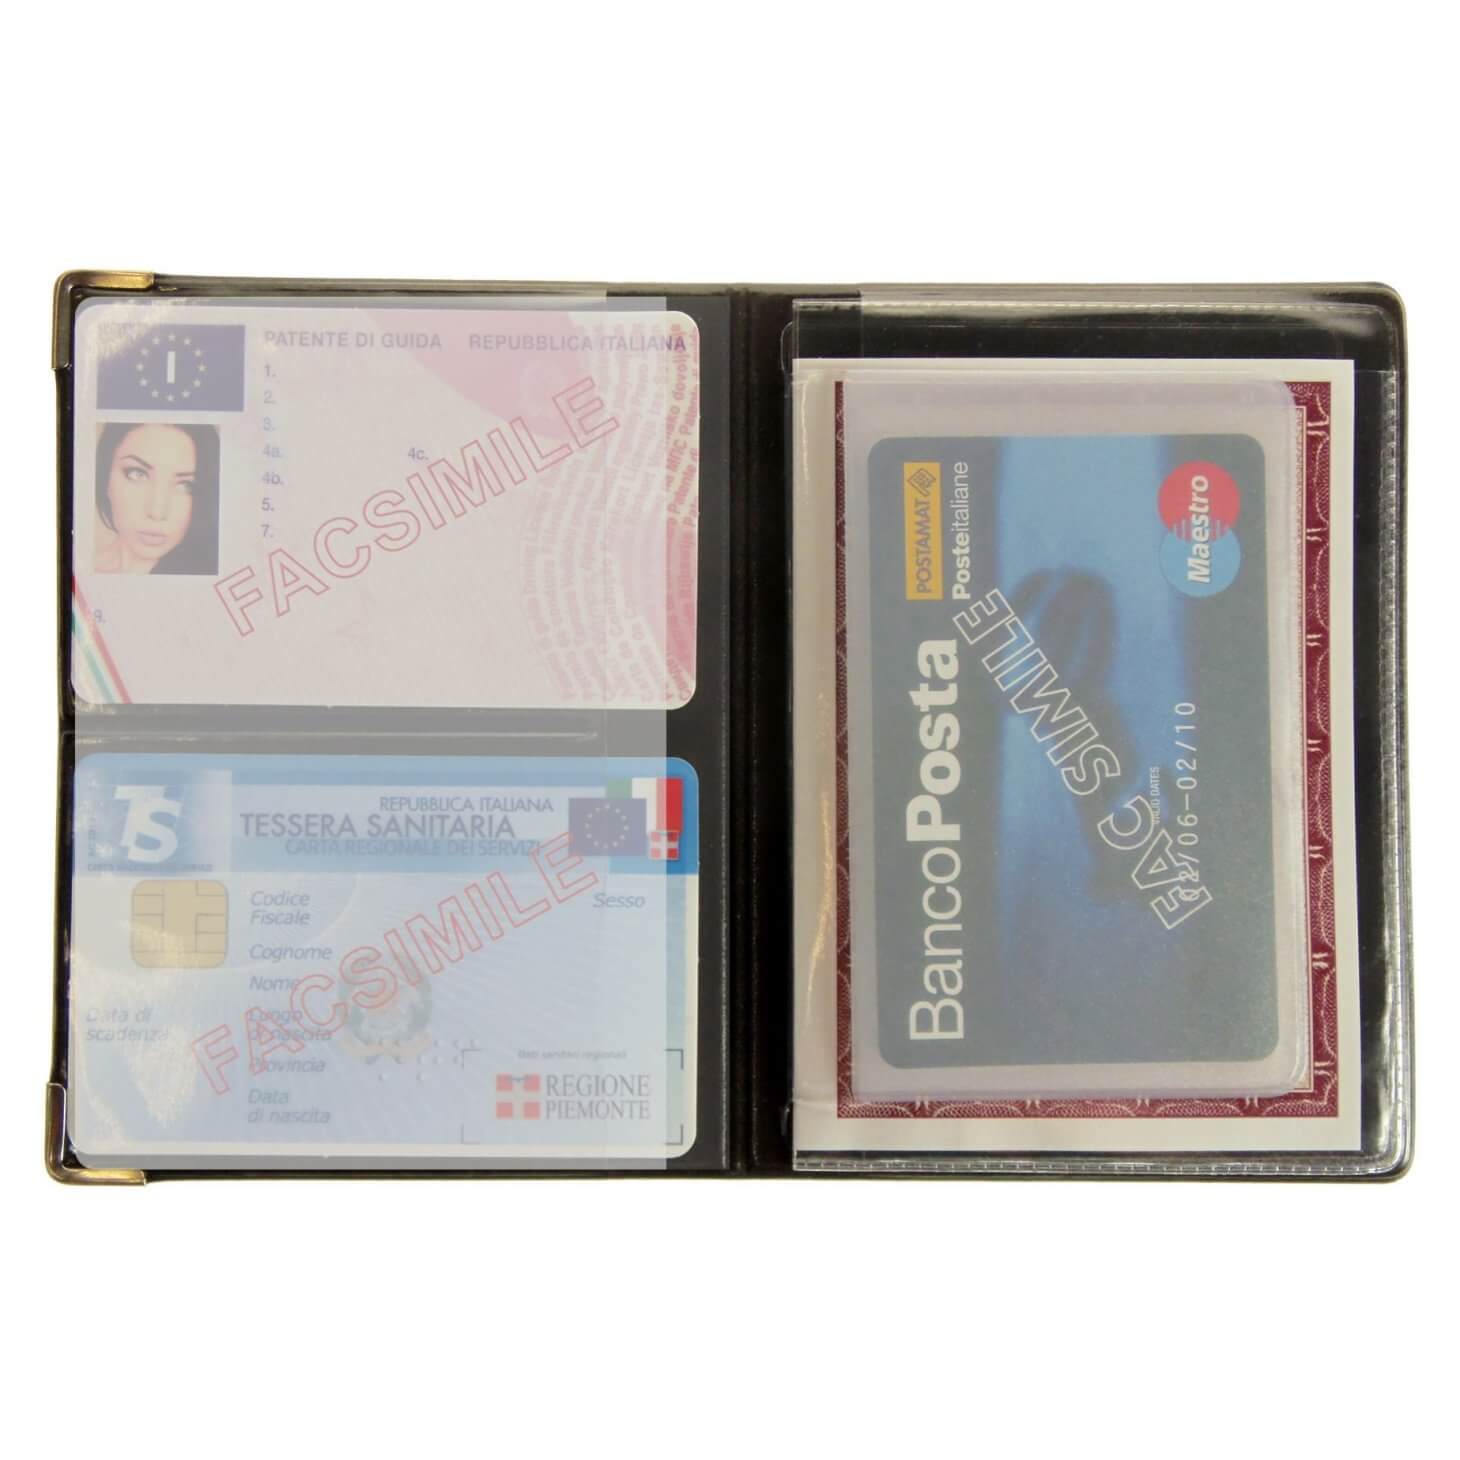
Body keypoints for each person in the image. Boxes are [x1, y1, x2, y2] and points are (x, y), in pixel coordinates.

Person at [93, 422, 220, 575]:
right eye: (137, 474)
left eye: (186, 485)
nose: (157, 512)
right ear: (105, 477)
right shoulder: (76, 573)